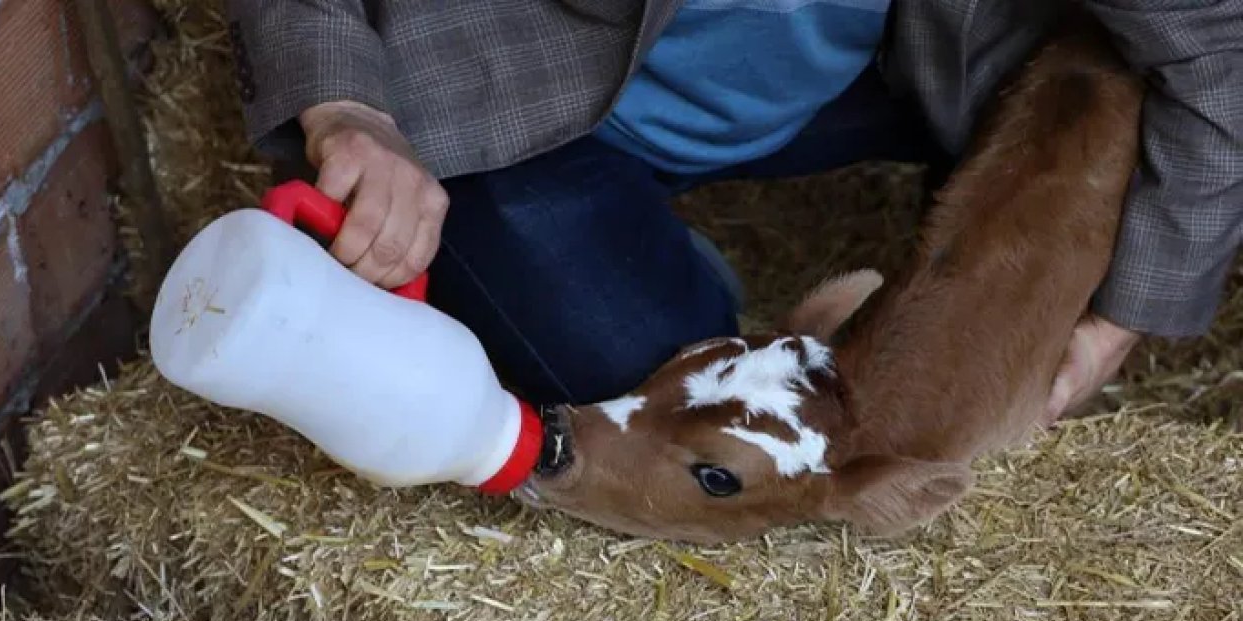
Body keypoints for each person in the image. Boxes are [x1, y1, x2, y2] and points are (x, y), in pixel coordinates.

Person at [224, 1, 1242, 423]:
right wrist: (349, 108)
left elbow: (1215, 48)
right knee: (661, 396)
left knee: (1102, 100)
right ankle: (674, 271)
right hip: (543, 91)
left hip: (887, 67)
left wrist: (1118, 318)